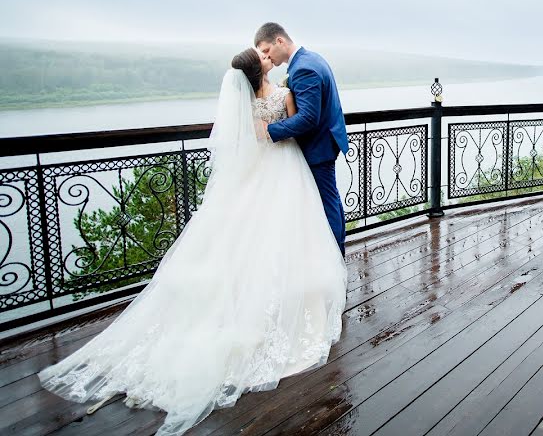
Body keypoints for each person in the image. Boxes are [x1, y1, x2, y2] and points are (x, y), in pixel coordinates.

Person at [39, 48, 348, 436]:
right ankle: (292, 297)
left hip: (256, 175)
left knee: (246, 237)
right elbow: (295, 122)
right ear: (261, 69)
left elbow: (247, 137)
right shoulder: (282, 93)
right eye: (264, 57)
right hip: (285, 169)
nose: (269, 58)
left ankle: (246, 295)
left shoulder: (246, 101)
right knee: (290, 232)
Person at [254, 22, 349, 255]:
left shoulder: (303, 69)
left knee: (326, 206)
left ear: (280, 41)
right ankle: (336, 254)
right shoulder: (311, 58)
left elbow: (308, 118)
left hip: (317, 147)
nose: (266, 57)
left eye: (266, 50)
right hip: (326, 142)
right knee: (332, 201)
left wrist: (270, 131)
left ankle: (335, 259)